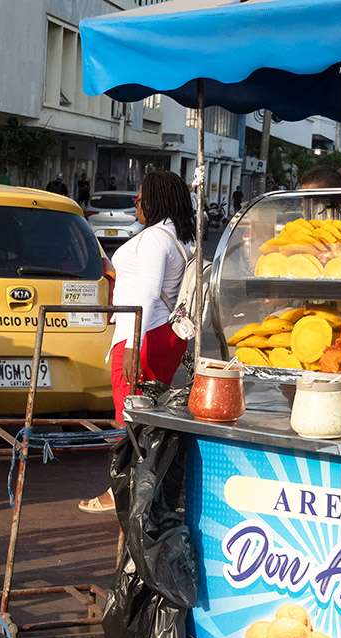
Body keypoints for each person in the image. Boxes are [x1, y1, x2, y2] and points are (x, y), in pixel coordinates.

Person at [79, 170, 195, 514]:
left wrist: (131, 344)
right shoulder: (176, 237)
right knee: (148, 416)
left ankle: (123, 487)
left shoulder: (154, 240)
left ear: (156, 201)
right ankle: (144, 486)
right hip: (161, 334)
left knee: (128, 417)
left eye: (140, 198)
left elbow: (145, 294)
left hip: (142, 335)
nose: (135, 203)